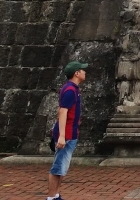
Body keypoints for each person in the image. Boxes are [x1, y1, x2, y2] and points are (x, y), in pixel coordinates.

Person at [47, 60, 87, 200]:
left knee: (62, 167)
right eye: (82, 70)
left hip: (70, 131)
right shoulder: (70, 90)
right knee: (58, 167)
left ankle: (56, 194)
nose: (84, 72)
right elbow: (63, 112)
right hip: (67, 132)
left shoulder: (72, 88)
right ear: (76, 73)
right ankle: (51, 197)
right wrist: (62, 136)